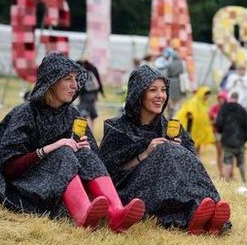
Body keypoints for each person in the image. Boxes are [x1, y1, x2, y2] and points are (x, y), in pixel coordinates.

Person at [0, 52, 144, 232]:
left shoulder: (72, 114)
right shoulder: (25, 113)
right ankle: (83, 213)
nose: (75, 85)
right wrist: (53, 147)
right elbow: (11, 168)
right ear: (51, 81)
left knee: (84, 152)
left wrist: (85, 148)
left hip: (62, 181)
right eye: (68, 79)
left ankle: (116, 213)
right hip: (25, 183)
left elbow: (92, 158)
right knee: (64, 151)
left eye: (75, 79)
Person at [99, 65, 231, 234]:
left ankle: (210, 211)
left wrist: (179, 150)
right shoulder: (118, 128)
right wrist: (146, 153)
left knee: (175, 151)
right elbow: (109, 174)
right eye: (152, 90)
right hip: (132, 190)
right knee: (164, 150)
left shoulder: (170, 127)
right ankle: (196, 216)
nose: (160, 96)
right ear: (138, 93)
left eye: (163, 90)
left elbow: (191, 164)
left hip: (171, 189)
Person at [216, 92, 247, 183]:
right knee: (241, 162)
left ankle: (226, 181)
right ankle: (244, 180)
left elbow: (219, 123)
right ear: (237, 98)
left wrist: (221, 132)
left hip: (228, 140)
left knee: (227, 161)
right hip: (240, 141)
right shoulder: (242, 110)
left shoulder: (224, 108)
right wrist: (246, 138)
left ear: (230, 97)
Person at [175, 86, 215, 155]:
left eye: (208, 96)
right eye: (206, 95)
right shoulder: (194, 101)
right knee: (190, 147)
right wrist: (189, 130)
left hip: (197, 130)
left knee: (197, 146)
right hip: (190, 129)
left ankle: (197, 160)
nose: (207, 97)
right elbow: (189, 114)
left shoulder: (203, 103)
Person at [155, 47, 185, 117]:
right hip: (179, 81)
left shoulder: (170, 64)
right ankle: (176, 113)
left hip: (171, 81)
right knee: (178, 98)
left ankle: (171, 112)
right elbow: (182, 71)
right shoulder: (181, 63)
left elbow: (167, 72)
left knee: (170, 98)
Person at [76, 58, 105, 130]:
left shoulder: (79, 69)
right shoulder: (93, 68)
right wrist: (100, 93)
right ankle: (92, 131)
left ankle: (82, 132)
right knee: (92, 115)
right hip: (93, 95)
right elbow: (98, 81)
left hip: (84, 96)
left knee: (82, 115)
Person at [209, 91, 229, 175]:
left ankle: (227, 171)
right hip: (217, 132)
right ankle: (221, 171)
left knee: (226, 153)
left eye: (222, 99)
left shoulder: (228, 108)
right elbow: (210, 119)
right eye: (219, 98)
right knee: (219, 152)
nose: (220, 100)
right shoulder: (214, 108)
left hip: (227, 134)